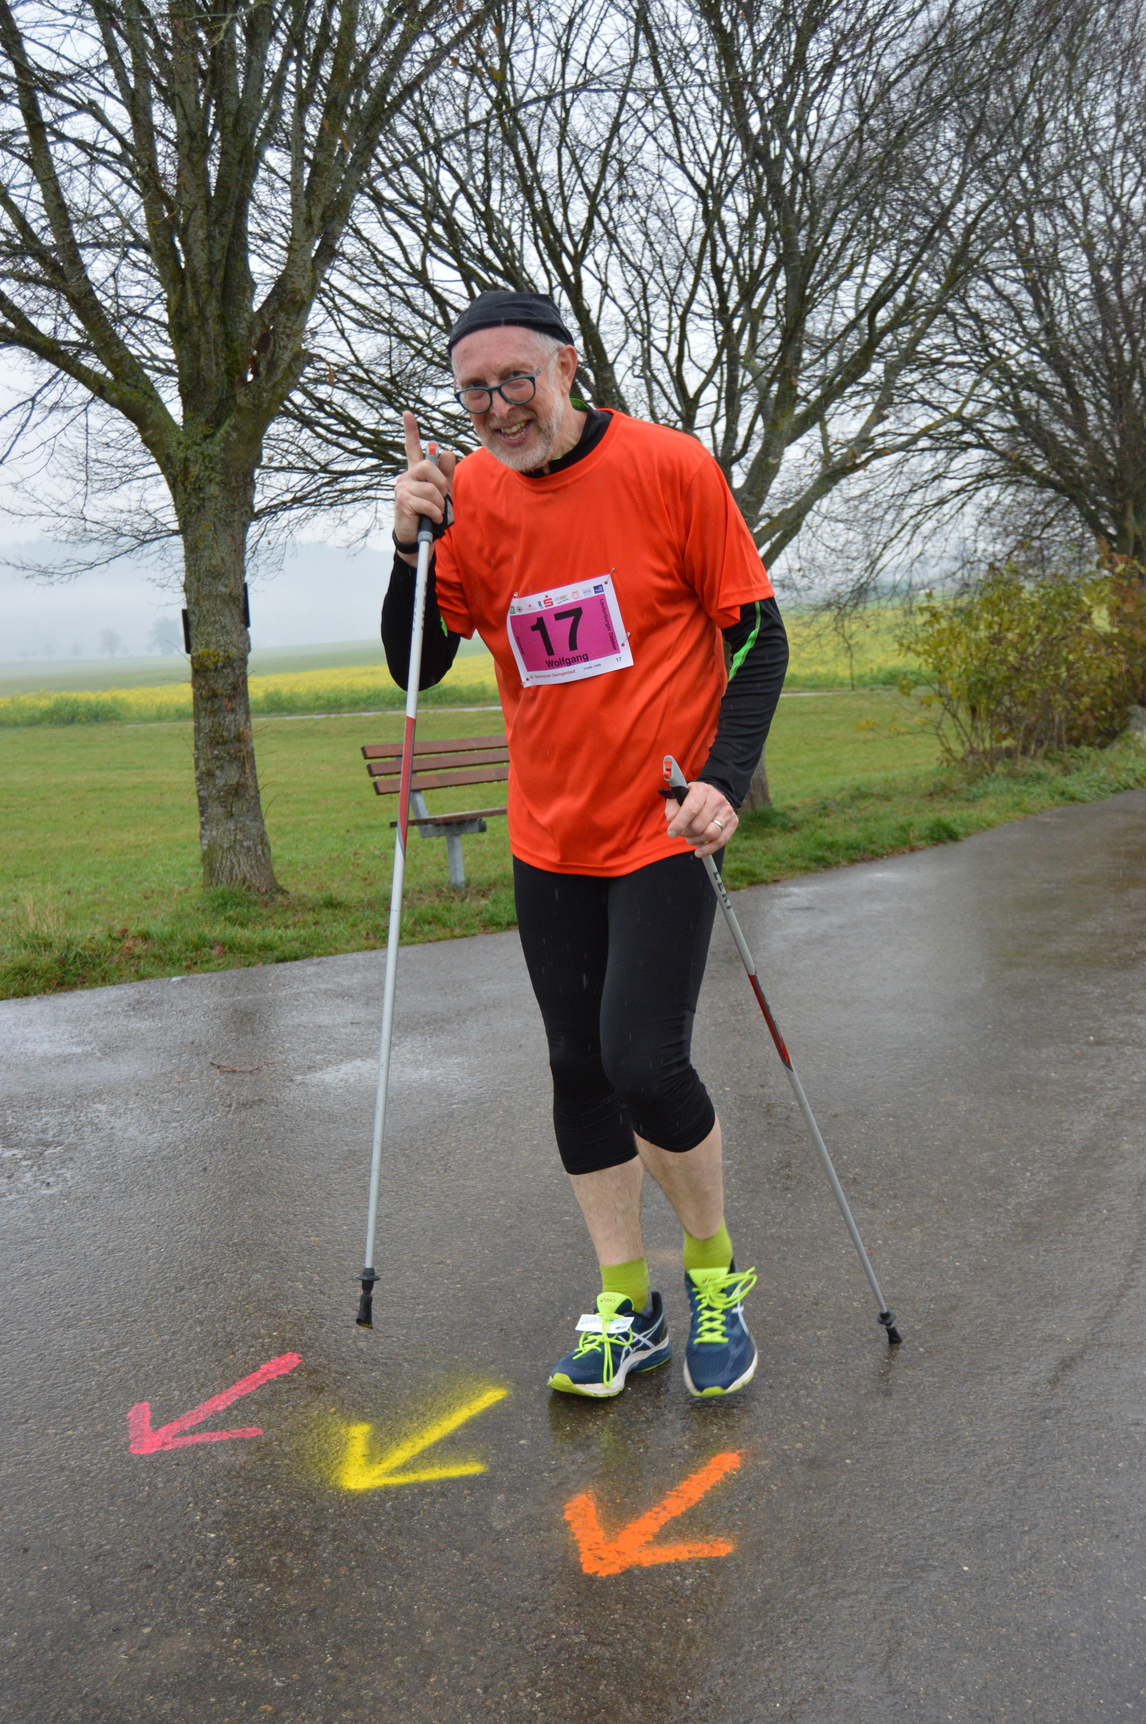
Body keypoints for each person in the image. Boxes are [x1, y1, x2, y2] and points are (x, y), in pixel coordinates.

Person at [382, 290, 788, 1399]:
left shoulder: (668, 466)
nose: (498, 405)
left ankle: (714, 1276)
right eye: (474, 390)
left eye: (516, 378)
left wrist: (723, 779)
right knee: (577, 1066)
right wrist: (409, 548)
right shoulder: (466, 495)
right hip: (548, 833)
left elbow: (757, 634)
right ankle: (627, 1303)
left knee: (643, 1061)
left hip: (661, 823)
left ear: (567, 367)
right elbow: (417, 665)